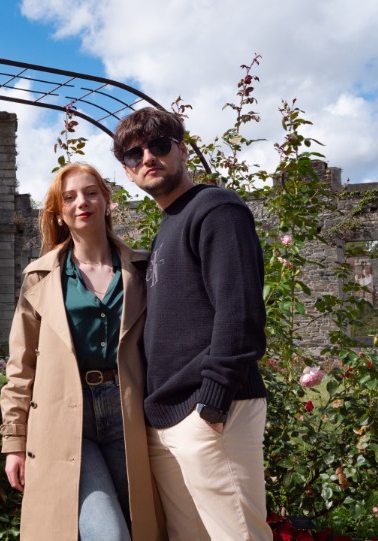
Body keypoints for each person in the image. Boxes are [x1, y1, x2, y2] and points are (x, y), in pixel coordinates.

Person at [112, 107, 270, 540]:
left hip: (211, 412)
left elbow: (240, 314)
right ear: (127, 171)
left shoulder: (216, 208)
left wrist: (213, 405)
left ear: (181, 151)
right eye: (134, 154)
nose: (148, 157)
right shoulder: (168, 225)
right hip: (169, 417)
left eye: (160, 145)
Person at [0, 162, 166, 541]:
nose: (82, 202)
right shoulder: (40, 277)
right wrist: (14, 443)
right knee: (110, 535)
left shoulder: (142, 270)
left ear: (107, 201)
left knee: (144, 527)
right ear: (59, 212)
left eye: (91, 193)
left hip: (129, 416)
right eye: (69, 197)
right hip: (65, 418)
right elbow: (21, 366)